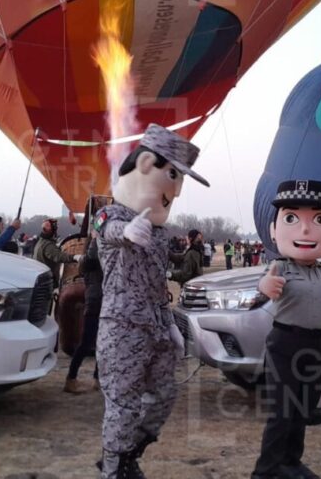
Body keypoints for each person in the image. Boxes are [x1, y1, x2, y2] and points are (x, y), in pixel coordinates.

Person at [93, 123, 210, 478]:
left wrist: (170, 322)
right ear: (146, 164)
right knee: (123, 403)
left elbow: (158, 282)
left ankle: (130, 454)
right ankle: (113, 469)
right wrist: (127, 232)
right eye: (173, 175)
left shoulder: (160, 233)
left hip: (156, 324)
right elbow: (105, 229)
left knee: (163, 396)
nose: (176, 190)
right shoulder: (112, 214)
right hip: (122, 326)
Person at [252, 179, 321, 479]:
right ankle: (266, 471)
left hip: (320, 345)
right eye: (291, 218)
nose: (305, 230)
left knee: (304, 408)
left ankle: (290, 462)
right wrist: (265, 285)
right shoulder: (280, 268)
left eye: (319, 220)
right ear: (274, 230)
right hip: (286, 345)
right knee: (282, 411)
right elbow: (262, 286)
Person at [64, 229, 103, 394]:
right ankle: (71, 378)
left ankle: (98, 379)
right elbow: (92, 256)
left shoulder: (99, 259)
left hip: (103, 302)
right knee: (86, 343)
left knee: (103, 343)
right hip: (94, 303)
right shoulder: (87, 261)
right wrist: (94, 239)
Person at [35, 218, 79, 291]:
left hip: (41, 279)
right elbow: (59, 256)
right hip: (46, 281)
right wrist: (75, 257)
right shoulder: (47, 245)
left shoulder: (41, 242)